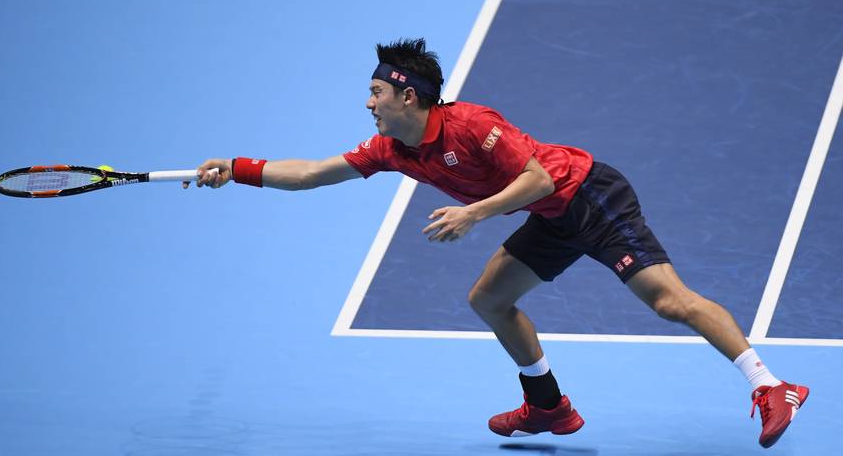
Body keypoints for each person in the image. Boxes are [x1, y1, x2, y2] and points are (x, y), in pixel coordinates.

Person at [185, 38, 808, 448]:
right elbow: (313, 172)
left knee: (668, 302)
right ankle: (548, 407)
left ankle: (769, 384)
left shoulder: (473, 124)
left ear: (408, 95)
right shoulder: (390, 149)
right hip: (547, 216)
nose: (367, 102)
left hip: (588, 195)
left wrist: (473, 216)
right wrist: (237, 168)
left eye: (376, 92)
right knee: (490, 300)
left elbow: (535, 176)